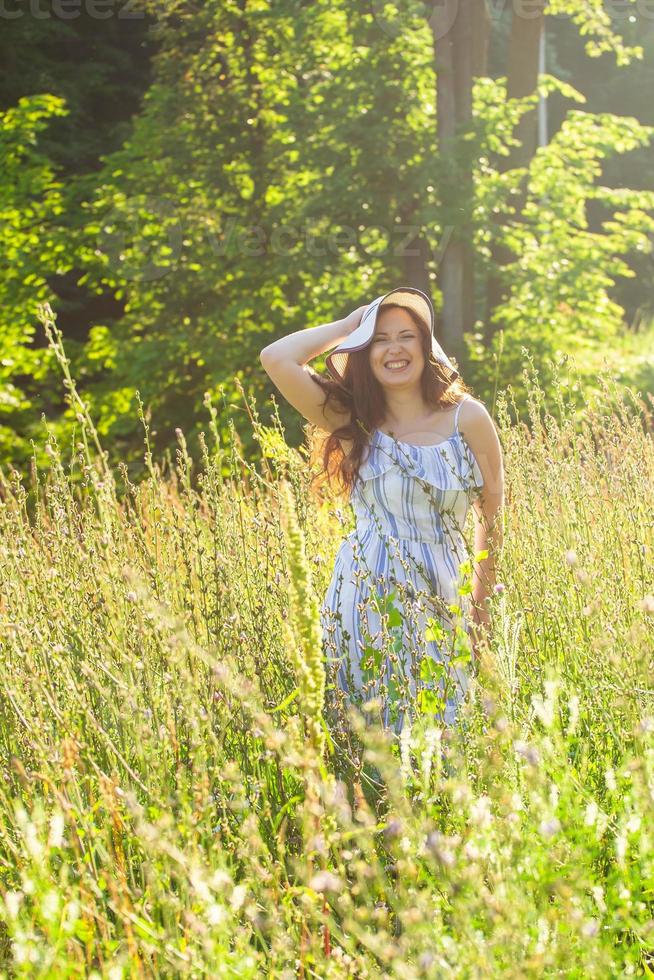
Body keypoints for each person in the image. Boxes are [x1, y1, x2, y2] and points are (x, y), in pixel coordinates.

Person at [260, 286, 504, 735]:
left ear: (426, 346)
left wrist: (480, 613)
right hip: (363, 600)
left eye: (406, 336)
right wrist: (349, 325)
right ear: (365, 353)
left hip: (443, 598)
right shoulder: (352, 421)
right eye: (380, 339)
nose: (394, 348)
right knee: (369, 742)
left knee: (444, 739)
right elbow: (276, 358)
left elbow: (494, 519)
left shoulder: (467, 418)